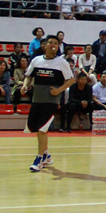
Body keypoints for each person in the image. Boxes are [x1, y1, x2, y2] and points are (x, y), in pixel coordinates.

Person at [22, 35, 75, 172]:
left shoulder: (62, 62)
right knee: (39, 129)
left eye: (56, 43)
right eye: (50, 42)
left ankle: (39, 158)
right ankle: (46, 155)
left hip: (51, 101)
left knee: (42, 129)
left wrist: (58, 90)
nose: (53, 45)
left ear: (58, 47)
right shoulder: (36, 60)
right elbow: (28, 76)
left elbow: (71, 80)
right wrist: (25, 85)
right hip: (37, 100)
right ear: (45, 45)